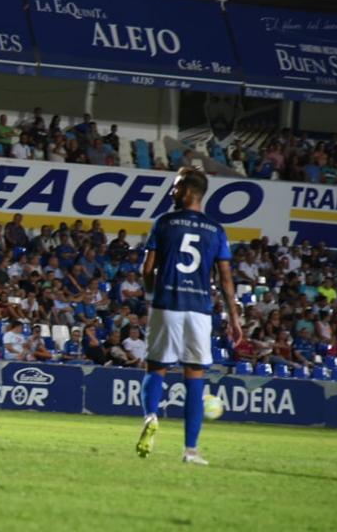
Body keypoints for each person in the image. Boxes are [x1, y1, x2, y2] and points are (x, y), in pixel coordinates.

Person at [136, 167, 242, 465]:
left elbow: (147, 269)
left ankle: (150, 416)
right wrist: (234, 318)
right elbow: (225, 278)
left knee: (155, 368)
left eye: (176, 187)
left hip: (167, 303)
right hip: (199, 310)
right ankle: (190, 451)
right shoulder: (216, 230)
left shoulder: (165, 222)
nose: (172, 192)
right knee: (195, 377)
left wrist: (149, 296)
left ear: (189, 192)